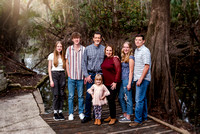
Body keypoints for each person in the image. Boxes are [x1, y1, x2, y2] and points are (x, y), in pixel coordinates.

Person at [81, 32, 105, 123]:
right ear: (93, 38)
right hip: (90, 75)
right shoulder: (87, 49)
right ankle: (87, 116)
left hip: (100, 75)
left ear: (101, 39)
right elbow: (83, 63)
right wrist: (86, 75)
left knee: (98, 96)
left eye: (99, 38)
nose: (97, 39)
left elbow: (109, 58)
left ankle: (96, 116)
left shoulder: (104, 49)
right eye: (96, 38)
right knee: (88, 96)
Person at [129, 34, 151, 127]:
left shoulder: (145, 51)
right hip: (138, 78)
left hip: (142, 79)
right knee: (143, 99)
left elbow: (147, 66)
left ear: (143, 41)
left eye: (139, 40)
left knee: (138, 100)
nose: (137, 41)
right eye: (136, 40)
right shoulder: (137, 51)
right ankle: (144, 117)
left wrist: (140, 79)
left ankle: (138, 120)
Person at [65, 32, 85, 120]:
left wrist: (85, 75)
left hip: (81, 77)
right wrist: (68, 74)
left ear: (80, 39)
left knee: (80, 96)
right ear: (72, 39)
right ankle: (71, 113)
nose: (76, 39)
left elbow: (86, 63)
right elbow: (67, 62)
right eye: (75, 38)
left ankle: (81, 112)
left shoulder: (84, 49)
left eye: (78, 38)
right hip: (71, 77)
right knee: (71, 96)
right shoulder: (68, 49)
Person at [101, 44, 121, 125]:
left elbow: (118, 71)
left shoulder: (115, 59)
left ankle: (113, 118)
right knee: (109, 100)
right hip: (106, 83)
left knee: (111, 100)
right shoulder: (105, 59)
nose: (109, 52)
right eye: (107, 50)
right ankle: (111, 115)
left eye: (110, 50)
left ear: (112, 51)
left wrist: (115, 82)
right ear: (105, 51)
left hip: (113, 83)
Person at [48, 41, 66, 121]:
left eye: (60, 46)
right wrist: (51, 80)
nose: (59, 48)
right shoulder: (51, 56)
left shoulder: (63, 56)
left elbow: (66, 67)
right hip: (54, 74)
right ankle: (55, 113)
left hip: (62, 74)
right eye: (58, 46)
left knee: (61, 94)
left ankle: (60, 112)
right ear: (55, 47)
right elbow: (49, 69)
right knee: (56, 95)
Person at [118, 41, 134, 123]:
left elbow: (131, 71)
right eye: (124, 47)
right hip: (122, 80)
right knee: (120, 97)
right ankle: (125, 113)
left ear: (130, 48)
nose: (125, 48)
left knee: (128, 98)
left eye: (127, 47)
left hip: (127, 80)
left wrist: (129, 83)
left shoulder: (131, 57)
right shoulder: (124, 57)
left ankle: (128, 117)